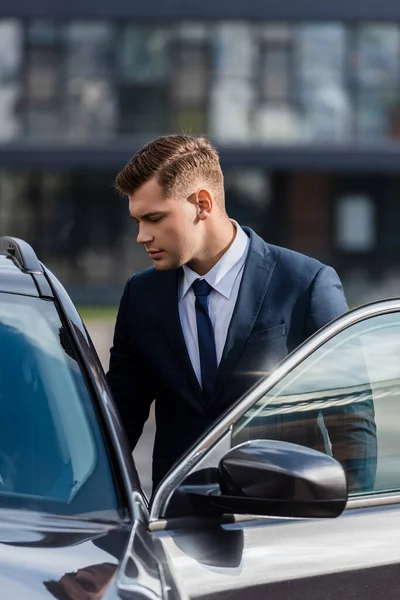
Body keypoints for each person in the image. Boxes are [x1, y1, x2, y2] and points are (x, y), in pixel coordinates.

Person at [106, 135, 376, 492]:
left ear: (202, 203)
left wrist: (345, 524)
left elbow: (351, 426)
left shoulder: (306, 285)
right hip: (176, 527)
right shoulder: (140, 297)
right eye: (138, 220)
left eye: (154, 218)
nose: (142, 235)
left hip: (283, 525)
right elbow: (116, 424)